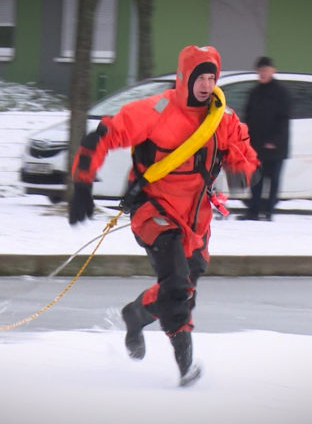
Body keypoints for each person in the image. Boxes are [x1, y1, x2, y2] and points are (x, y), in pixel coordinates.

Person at [68, 45, 259, 386]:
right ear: (183, 79)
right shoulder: (155, 111)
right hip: (154, 213)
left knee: (183, 292)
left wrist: (244, 170)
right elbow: (101, 136)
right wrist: (82, 183)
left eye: (212, 77)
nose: (205, 84)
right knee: (175, 287)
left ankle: (136, 315)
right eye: (199, 77)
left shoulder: (223, 119)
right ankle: (185, 366)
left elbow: (243, 152)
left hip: (196, 221)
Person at [240, 56, 291, 221]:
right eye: (260, 71)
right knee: (256, 179)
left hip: (275, 146)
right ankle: (253, 211)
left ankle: (269, 212)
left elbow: (284, 119)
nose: (262, 74)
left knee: (272, 180)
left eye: (265, 70)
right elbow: (248, 116)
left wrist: (274, 140)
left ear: (272, 71)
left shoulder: (281, 93)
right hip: (256, 144)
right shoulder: (254, 92)